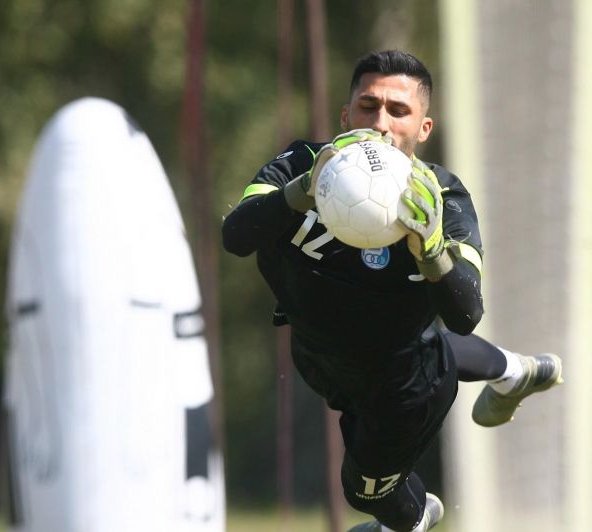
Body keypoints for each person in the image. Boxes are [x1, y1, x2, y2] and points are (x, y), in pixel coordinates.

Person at [222, 50, 563, 532]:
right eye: (368, 106)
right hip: (322, 355)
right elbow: (236, 236)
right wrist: (299, 192)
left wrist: (432, 251)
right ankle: (514, 370)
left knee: (363, 491)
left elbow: (465, 313)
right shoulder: (302, 164)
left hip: (405, 389)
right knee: (403, 337)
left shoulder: (441, 198)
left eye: (399, 111)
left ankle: (417, 517)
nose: (381, 123)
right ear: (346, 116)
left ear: (424, 128)